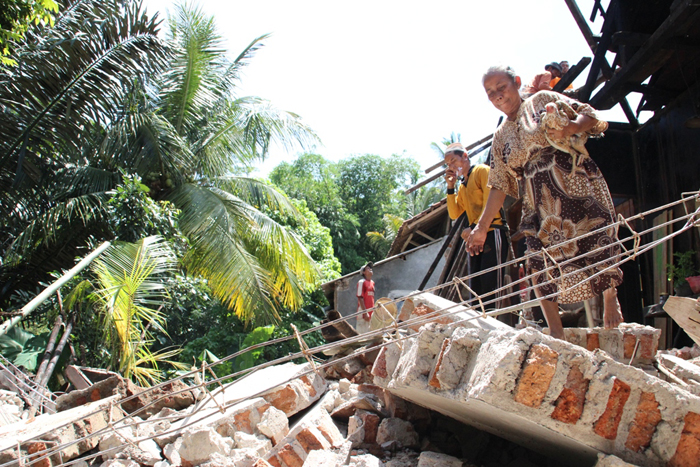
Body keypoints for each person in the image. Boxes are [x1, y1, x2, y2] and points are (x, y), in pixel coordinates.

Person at [468, 65, 624, 339]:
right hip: (537, 199)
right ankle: (556, 330)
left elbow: (591, 115)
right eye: (490, 93)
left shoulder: (541, 101)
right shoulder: (500, 136)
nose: (496, 96)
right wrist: (481, 227)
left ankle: (611, 295)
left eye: (501, 87)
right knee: (536, 259)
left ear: (516, 82)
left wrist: (571, 128)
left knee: (595, 238)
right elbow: (499, 184)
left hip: (572, 180)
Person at [444, 142, 509, 307]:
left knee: (492, 285)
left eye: (453, 161)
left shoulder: (481, 171)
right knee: (476, 287)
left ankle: (495, 323)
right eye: (448, 164)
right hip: (475, 239)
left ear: (465, 156)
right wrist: (451, 186)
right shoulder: (463, 186)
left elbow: (491, 203)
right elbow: (454, 213)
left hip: (493, 232)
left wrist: (474, 227)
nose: (451, 166)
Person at [356, 262, 375, 333]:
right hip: (363, 312)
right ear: (364, 272)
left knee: (369, 332)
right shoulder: (362, 282)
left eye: (371, 268)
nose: (370, 269)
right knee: (362, 332)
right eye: (368, 268)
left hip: (371, 312)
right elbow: (360, 297)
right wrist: (365, 312)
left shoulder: (372, 283)